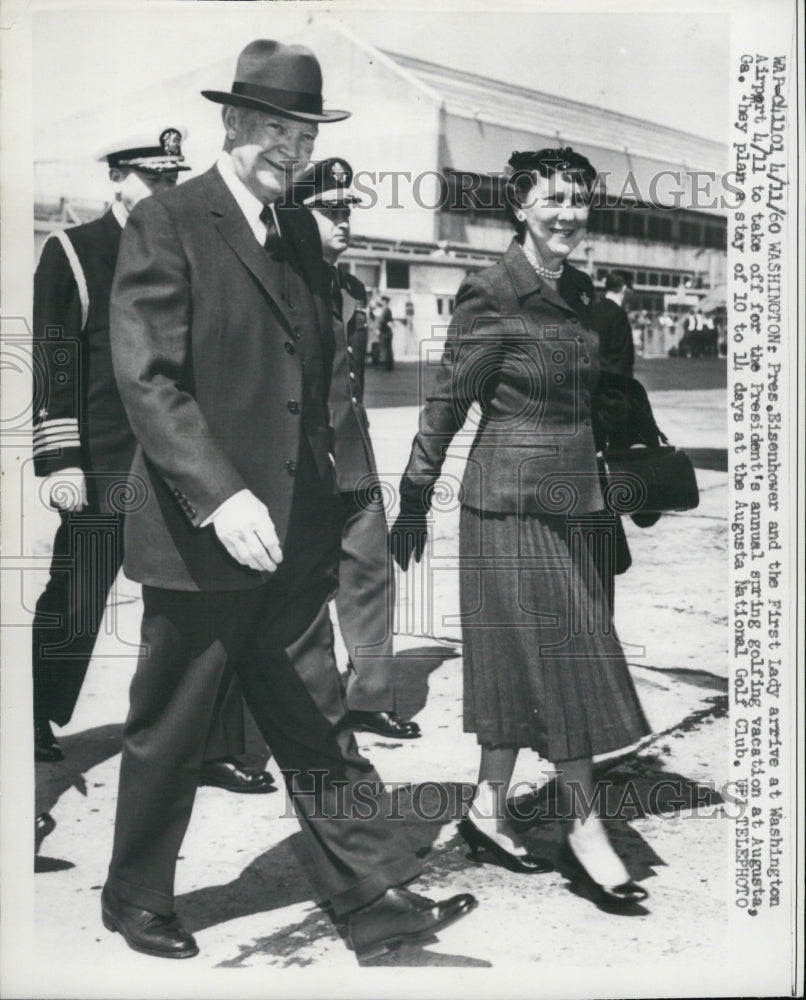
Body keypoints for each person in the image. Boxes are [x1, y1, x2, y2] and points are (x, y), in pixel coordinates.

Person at [103, 40, 475, 961]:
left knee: (316, 717)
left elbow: (310, 377)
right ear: (230, 123)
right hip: (204, 535)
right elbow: (148, 379)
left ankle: (374, 893)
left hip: (292, 539)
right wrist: (217, 494)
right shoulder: (170, 218)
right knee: (173, 726)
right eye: (272, 126)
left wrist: (321, 505)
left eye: (302, 132)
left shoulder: (301, 232)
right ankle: (135, 893)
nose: (289, 147)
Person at [392, 148, 652, 911]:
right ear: (519, 207)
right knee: (566, 658)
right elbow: (449, 399)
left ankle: (485, 810)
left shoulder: (574, 290)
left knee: (519, 667)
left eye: (579, 198)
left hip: (572, 503)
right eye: (554, 199)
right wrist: (414, 491)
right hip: (507, 504)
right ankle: (583, 827)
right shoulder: (493, 289)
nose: (570, 212)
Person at [31, 127, 271, 794]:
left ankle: (212, 745)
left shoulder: (191, 242)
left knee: (206, 603)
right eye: (150, 178)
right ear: (116, 179)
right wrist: (62, 463)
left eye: (171, 178)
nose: (163, 190)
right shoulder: (74, 252)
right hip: (107, 464)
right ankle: (30, 716)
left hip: (180, 460)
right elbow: (55, 362)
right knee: (78, 596)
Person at [290, 157, 420, 740]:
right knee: (298, 590)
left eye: (347, 210)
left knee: (370, 574)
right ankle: (302, 705)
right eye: (330, 210)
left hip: (353, 452)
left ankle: (368, 695)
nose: (343, 221)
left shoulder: (352, 287)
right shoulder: (283, 280)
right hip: (301, 460)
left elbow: (353, 382)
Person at [377, 295, 394, 370]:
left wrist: (379, 329)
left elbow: (382, 321)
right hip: (388, 332)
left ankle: (387, 366)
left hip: (385, 332)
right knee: (388, 349)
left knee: (385, 349)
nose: (382, 302)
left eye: (383, 301)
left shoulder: (385, 310)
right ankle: (389, 365)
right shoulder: (388, 310)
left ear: (385, 302)